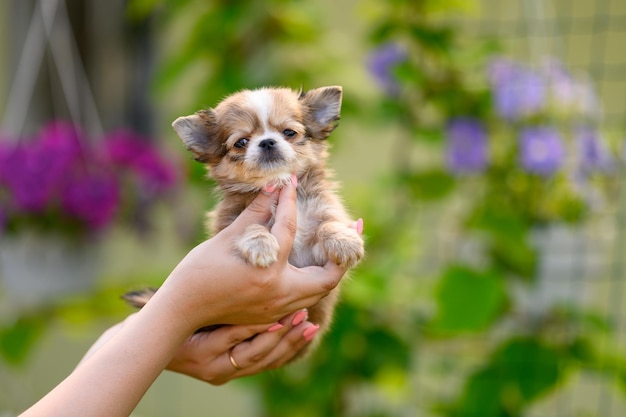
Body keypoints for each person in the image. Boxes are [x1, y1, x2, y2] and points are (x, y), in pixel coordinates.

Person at [19, 174, 362, 417]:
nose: (269, 144)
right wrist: (176, 314)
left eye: (290, 133)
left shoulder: (314, 187)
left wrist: (144, 331)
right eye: (241, 141)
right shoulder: (239, 205)